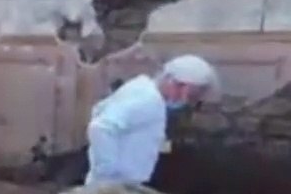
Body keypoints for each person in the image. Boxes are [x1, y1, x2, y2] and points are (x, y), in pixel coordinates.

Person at [85, 54, 218, 186]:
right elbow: (101, 127)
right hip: (114, 186)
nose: (184, 100)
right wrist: (107, 174)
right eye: (189, 94)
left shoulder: (146, 91)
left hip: (125, 185)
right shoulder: (148, 99)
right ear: (173, 82)